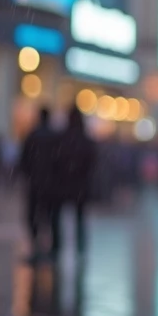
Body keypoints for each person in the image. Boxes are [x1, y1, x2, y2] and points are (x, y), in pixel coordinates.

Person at [50, 107, 96, 258]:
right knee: (80, 217)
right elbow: (92, 164)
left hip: (62, 185)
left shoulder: (61, 139)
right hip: (79, 186)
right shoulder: (86, 140)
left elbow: (55, 162)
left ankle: (57, 245)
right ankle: (80, 246)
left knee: (57, 216)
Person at [19, 108, 58, 261]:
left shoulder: (32, 136)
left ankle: (35, 246)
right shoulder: (54, 137)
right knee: (50, 216)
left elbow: (24, 160)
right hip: (50, 184)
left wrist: (28, 175)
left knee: (33, 216)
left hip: (35, 182)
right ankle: (52, 248)